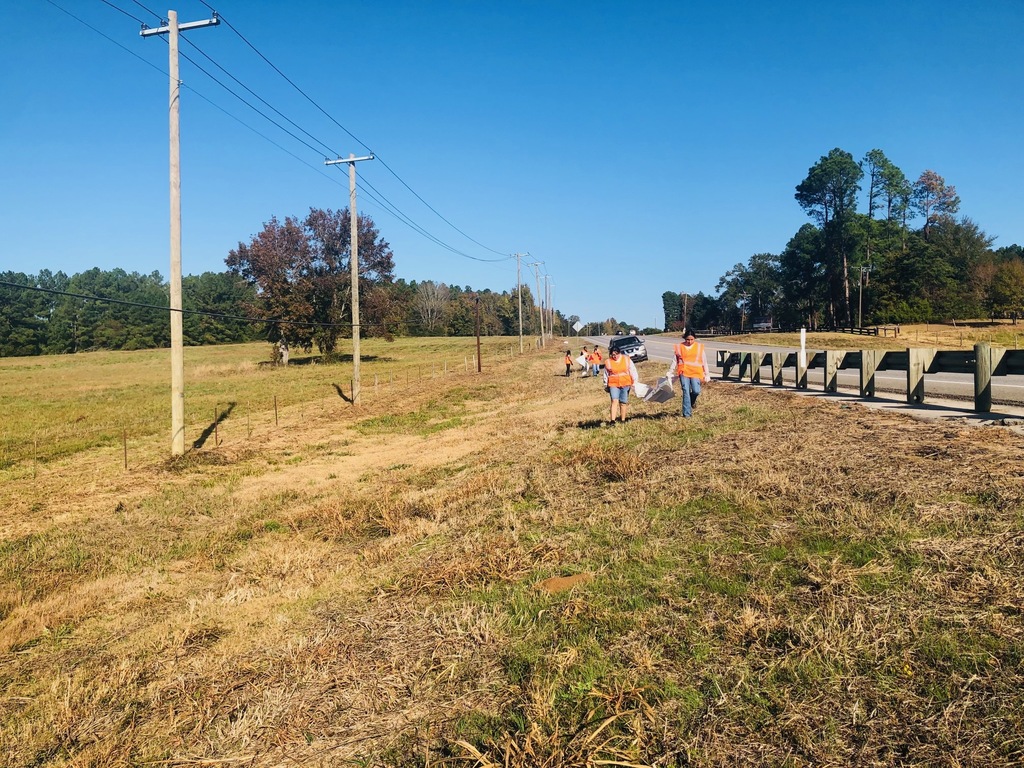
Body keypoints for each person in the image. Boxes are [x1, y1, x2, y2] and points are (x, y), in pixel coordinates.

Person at [669, 327, 710, 417]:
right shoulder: (680, 347)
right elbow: (675, 360)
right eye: (688, 339)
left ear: (694, 338)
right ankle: (687, 414)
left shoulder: (699, 347)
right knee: (685, 391)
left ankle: (691, 402)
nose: (690, 341)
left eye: (692, 339)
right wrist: (670, 371)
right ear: (685, 338)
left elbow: (704, 361)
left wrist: (707, 373)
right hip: (683, 372)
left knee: (696, 391)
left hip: (695, 372)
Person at [602, 346, 639, 423]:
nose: (614, 356)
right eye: (612, 355)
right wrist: (606, 384)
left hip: (625, 383)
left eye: (616, 354)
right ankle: (612, 420)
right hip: (613, 384)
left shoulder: (626, 359)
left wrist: (635, 381)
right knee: (614, 400)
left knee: (623, 402)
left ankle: (623, 420)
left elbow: (632, 370)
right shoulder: (608, 362)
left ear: (620, 353)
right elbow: (606, 374)